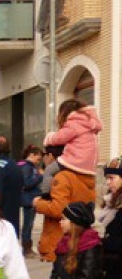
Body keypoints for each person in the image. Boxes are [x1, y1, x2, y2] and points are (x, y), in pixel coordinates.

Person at [36, 100, 100, 261]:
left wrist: (39, 202)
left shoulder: (63, 177)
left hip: (61, 243)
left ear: (50, 156)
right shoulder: (85, 178)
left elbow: (58, 209)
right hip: (79, 239)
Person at [97, 159, 122, 279]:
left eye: (111, 178)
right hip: (114, 272)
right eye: (107, 178)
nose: (107, 182)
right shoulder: (112, 205)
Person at [18, 146, 44, 257]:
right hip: (29, 199)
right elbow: (27, 183)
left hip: (30, 198)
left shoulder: (27, 166)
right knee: (28, 224)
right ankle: (27, 248)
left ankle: (27, 247)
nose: (39, 162)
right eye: (38, 159)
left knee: (28, 224)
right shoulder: (27, 167)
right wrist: (40, 176)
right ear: (31, 155)